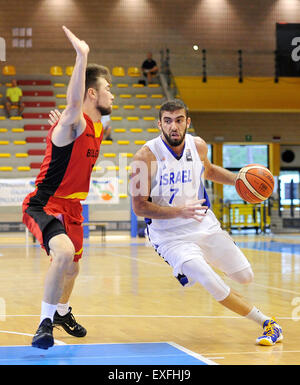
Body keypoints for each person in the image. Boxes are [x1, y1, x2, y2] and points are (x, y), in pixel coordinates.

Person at [130, 99, 283, 346]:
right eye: (168, 121)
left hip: (203, 224)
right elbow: (139, 207)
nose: (174, 127)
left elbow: (208, 171)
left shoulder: (198, 146)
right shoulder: (145, 157)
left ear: (187, 122)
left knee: (245, 277)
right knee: (209, 279)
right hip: (169, 235)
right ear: (159, 124)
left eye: (179, 120)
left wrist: (241, 181)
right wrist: (179, 211)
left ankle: (196, 265)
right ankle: (268, 323)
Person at [22, 26, 114, 349]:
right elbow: (74, 102)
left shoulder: (99, 127)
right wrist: (82, 55)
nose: (113, 94)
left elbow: (89, 113)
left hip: (74, 207)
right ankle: (44, 324)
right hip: (45, 203)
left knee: (73, 268)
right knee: (61, 254)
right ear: (91, 94)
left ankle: (61, 312)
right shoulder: (74, 121)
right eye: (107, 89)